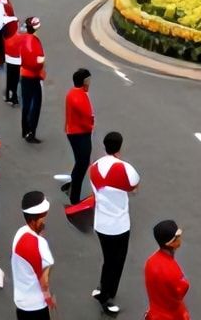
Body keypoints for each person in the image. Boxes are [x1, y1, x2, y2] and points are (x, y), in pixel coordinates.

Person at [91, 130, 141, 315]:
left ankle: (103, 288)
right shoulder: (125, 169)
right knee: (116, 262)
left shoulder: (95, 166)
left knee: (108, 259)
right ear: (120, 146)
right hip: (119, 225)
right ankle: (106, 297)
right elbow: (135, 187)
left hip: (101, 223)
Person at [12, 191, 55, 320]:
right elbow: (44, 280)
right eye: (43, 216)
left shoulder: (19, 234)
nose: (45, 219)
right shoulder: (40, 244)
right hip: (36, 305)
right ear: (35, 219)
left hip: (21, 301)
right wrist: (48, 298)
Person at [143, 219, 189, 320]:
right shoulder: (173, 269)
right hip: (172, 315)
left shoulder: (150, 262)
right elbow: (183, 289)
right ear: (170, 243)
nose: (180, 239)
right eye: (177, 238)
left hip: (154, 313)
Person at [64, 68, 94, 200]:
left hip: (74, 132)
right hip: (80, 134)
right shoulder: (79, 97)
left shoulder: (73, 93)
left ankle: (71, 185)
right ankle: (74, 196)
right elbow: (86, 118)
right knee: (82, 163)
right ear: (84, 82)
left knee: (80, 162)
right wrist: (91, 125)